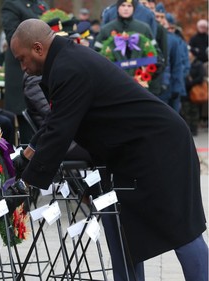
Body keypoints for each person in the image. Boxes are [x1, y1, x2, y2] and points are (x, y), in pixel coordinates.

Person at [11, 19, 208, 281]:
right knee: (121, 232)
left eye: (22, 59)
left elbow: (60, 131)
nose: (23, 67)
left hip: (160, 146)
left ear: (37, 48)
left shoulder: (69, 66)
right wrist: (28, 154)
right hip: (128, 152)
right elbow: (56, 119)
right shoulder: (65, 60)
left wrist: (26, 183)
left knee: (181, 231)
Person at [1, 0, 49, 144]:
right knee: (28, 119)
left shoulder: (42, 5)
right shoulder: (12, 4)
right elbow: (12, 36)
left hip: (42, 66)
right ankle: (29, 160)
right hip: (21, 67)